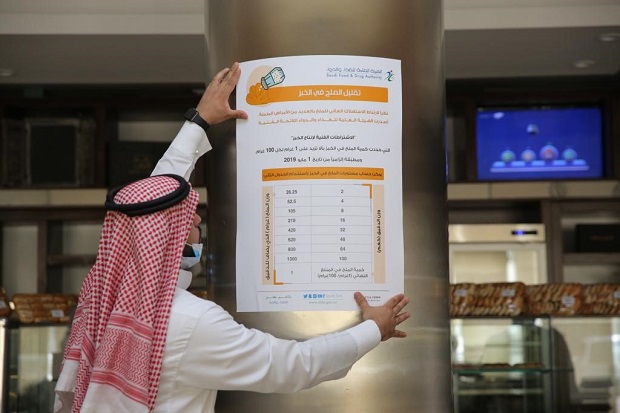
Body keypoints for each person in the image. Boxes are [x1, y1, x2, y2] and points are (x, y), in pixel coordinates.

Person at [53, 62, 411, 413]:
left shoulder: (101, 301)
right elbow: (291, 365)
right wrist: (373, 329)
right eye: (189, 218)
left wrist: (198, 123)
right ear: (167, 238)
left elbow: (153, 201)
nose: (197, 219)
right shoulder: (191, 322)